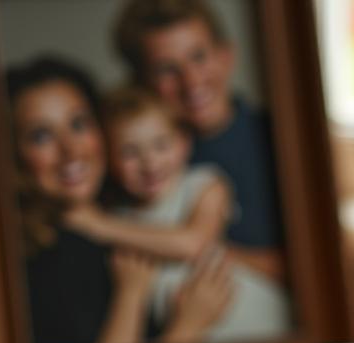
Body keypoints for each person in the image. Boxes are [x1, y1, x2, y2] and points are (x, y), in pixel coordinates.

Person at [5, 56, 228, 343]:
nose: (71, 150)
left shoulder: (124, 219)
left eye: (78, 123)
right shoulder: (43, 261)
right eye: (41, 136)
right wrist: (186, 327)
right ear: (13, 154)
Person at [65, 86, 290, 343]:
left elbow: (194, 244)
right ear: (110, 160)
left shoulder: (205, 184)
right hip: (195, 339)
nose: (150, 163)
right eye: (130, 152)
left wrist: (99, 225)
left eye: (161, 145)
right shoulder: (120, 215)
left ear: (184, 143)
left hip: (261, 320)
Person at [113, 0, 286, 282]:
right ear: (141, 83)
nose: (191, 82)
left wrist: (204, 250)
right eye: (167, 69)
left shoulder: (278, 140)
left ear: (226, 55)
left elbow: (311, 266)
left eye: (198, 57)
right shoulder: (137, 165)